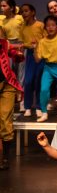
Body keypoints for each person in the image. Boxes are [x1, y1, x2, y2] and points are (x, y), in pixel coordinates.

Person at [0, 37, 23, 170]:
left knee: (5, 118)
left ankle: (5, 158)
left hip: (7, 85)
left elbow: (13, 53)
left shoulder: (3, 43)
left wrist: (17, 55)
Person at [19, 3, 44, 117]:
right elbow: (22, 43)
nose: (24, 13)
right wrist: (25, 46)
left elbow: (45, 40)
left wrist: (37, 46)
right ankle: (28, 107)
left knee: (38, 81)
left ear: (33, 12)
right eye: (22, 12)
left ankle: (39, 106)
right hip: (29, 55)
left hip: (40, 55)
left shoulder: (40, 25)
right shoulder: (23, 27)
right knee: (28, 82)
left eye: (26, 11)